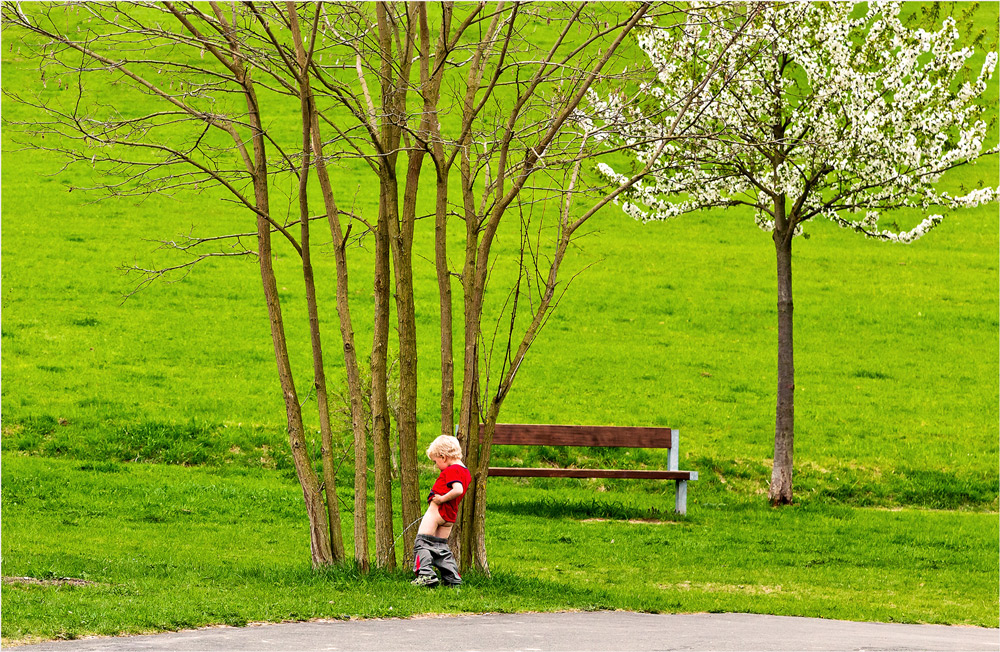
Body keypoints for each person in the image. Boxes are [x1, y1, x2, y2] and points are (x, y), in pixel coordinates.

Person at [411, 435, 471, 587]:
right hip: (450, 516)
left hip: (437, 511)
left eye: (435, 461)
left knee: (422, 542)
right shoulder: (465, 471)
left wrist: (441, 499)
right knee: (440, 547)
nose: (436, 466)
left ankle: (425, 575)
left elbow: (458, 489)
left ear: (443, 457)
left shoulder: (452, 470)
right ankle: (452, 578)